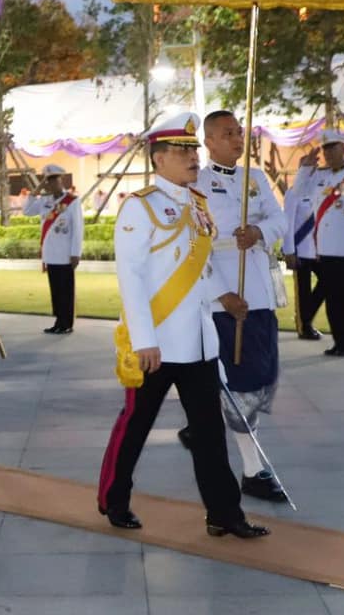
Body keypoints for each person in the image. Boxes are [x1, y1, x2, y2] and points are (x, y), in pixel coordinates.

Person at [97, 112, 268, 539]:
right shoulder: (140, 207)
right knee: (135, 426)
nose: (192, 159)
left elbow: (201, 268)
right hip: (156, 343)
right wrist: (143, 340)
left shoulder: (198, 205)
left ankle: (224, 513)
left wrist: (223, 296)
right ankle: (114, 500)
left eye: (193, 150)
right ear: (158, 160)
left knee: (210, 434)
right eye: (181, 152)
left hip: (197, 343)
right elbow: (131, 278)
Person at [191, 110, 288, 503]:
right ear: (209, 141)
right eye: (228, 133)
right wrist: (220, 294)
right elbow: (195, 248)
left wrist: (261, 231)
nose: (237, 138)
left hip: (260, 292)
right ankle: (252, 470)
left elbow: (280, 218)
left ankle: (206, 422)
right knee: (241, 382)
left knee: (262, 375)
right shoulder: (195, 184)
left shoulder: (256, 178)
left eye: (240, 132)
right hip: (227, 298)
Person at [291, 129, 344, 356]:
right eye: (325, 149)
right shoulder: (320, 176)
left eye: (333, 147)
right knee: (332, 300)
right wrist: (306, 168)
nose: (328, 153)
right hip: (326, 249)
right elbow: (298, 193)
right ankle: (339, 341)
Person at [23, 164, 84, 334]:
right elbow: (27, 211)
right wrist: (38, 188)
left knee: (66, 291)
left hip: (65, 254)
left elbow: (78, 229)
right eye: (48, 180)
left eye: (54, 179)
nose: (51, 183)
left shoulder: (72, 201)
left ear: (61, 180)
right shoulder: (45, 201)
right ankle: (59, 321)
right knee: (56, 291)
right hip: (50, 254)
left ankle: (67, 323)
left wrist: (75, 253)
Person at [282, 181, 325, 339]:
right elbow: (288, 223)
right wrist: (289, 251)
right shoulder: (293, 193)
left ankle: (306, 315)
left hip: (318, 250)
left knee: (328, 281)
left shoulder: (321, 190)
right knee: (303, 291)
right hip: (301, 249)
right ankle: (304, 326)